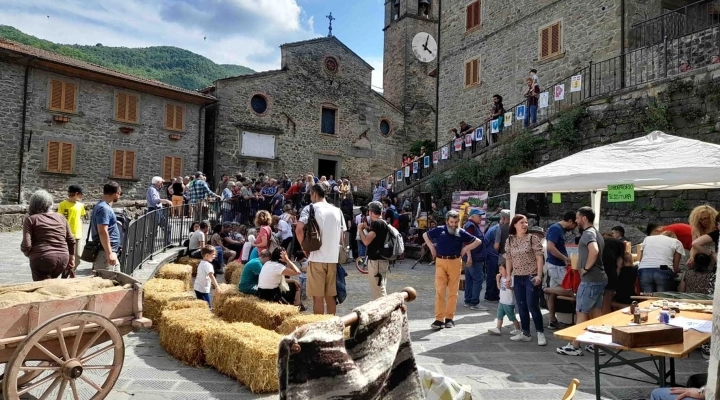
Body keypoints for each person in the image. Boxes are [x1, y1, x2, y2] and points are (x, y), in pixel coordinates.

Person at [557, 207, 607, 356]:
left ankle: (575, 345)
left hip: (590, 279)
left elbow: (595, 250)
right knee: (596, 311)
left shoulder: (588, 234)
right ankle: (595, 343)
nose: (576, 221)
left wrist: (585, 267)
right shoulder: (597, 233)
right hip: (598, 279)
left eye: (578, 218)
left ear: (584, 218)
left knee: (581, 311)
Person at [423, 210, 481, 329]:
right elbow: (425, 235)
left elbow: (478, 241)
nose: (453, 224)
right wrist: (431, 247)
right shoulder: (439, 230)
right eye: (451, 222)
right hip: (440, 261)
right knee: (440, 290)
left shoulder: (461, 232)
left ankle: (449, 318)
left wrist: (466, 249)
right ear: (446, 221)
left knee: (453, 292)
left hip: (455, 262)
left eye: (455, 222)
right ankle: (439, 319)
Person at [296, 184, 346, 315]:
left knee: (318, 297)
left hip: (317, 257)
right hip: (333, 258)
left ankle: (319, 325)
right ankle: (331, 324)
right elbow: (342, 236)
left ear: (314, 194)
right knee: (331, 296)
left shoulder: (310, 208)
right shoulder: (337, 210)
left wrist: (303, 246)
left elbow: (299, 229)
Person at [505, 214, 546, 345]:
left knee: (532, 305)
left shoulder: (532, 238)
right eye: (521, 222)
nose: (524, 225)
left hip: (531, 275)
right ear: (515, 225)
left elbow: (539, 257)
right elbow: (508, 258)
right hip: (517, 276)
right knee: (521, 305)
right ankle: (525, 332)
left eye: (526, 222)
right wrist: (508, 275)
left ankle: (540, 333)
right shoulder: (510, 240)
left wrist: (539, 275)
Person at [21, 190, 76, 281]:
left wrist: (29, 254)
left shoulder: (31, 219)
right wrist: (71, 257)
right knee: (52, 285)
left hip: (42, 258)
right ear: (50, 203)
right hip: (63, 258)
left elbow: (26, 245)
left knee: (43, 289)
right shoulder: (61, 217)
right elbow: (71, 240)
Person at [545, 211, 577, 330]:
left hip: (555, 264)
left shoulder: (557, 229)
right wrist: (565, 258)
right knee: (571, 290)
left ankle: (552, 320)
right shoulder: (556, 229)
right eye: (575, 224)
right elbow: (550, 247)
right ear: (570, 221)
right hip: (557, 265)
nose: (574, 228)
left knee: (553, 293)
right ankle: (545, 289)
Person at [638, 224, 684, 293]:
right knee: (662, 299)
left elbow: (641, 260)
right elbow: (675, 267)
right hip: (663, 268)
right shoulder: (676, 242)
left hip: (644, 268)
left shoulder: (647, 238)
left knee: (647, 299)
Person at [358, 201, 389, 299]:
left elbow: (366, 241)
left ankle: (384, 312)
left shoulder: (376, 224)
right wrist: (367, 229)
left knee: (379, 290)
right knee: (381, 287)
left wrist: (360, 230)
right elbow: (375, 237)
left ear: (371, 212)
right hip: (382, 260)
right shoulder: (384, 222)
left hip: (376, 262)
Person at [90, 182, 122, 271]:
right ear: (116, 193)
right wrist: (109, 253)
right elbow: (102, 231)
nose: (119, 196)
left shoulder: (102, 205)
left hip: (110, 251)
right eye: (120, 193)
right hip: (105, 253)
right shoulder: (104, 208)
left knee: (116, 281)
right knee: (103, 282)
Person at [462, 209, 488, 310]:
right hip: (474, 257)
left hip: (473, 257)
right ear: (473, 216)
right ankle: (474, 303)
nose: (481, 218)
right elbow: (467, 242)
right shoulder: (471, 226)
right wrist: (469, 257)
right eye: (479, 216)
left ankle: (468, 301)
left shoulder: (470, 225)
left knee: (469, 279)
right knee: (478, 279)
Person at [57, 185, 85, 271]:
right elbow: (60, 219)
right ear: (76, 194)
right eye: (81, 194)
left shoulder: (81, 205)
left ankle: (72, 272)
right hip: (66, 235)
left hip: (77, 235)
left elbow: (81, 218)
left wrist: (81, 230)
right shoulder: (62, 204)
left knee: (78, 257)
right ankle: (65, 273)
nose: (82, 196)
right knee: (66, 256)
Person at [487, 265, 521, 336]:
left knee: (511, 317)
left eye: (501, 269)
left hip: (508, 302)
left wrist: (510, 287)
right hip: (502, 301)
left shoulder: (511, 279)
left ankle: (518, 329)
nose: (499, 271)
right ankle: (498, 328)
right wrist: (497, 280)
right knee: (499, 315)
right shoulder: (502, 278)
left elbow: (514, 289)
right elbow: (499, 287)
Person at [601, 233, 625, 314]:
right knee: (606, 301)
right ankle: (605, 323)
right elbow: (619, 263)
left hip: (594, 274)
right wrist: (617, 273)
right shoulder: (619, 243)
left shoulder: (596, 241)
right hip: (610, 274)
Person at [483, 219, 501, 302]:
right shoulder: (496, 230)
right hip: (492, 256)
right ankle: (489, 295)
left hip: (495, 256)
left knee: (496, 276)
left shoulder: (497, 229)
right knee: (491, 276)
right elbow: (485, 242)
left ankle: (495, 294)